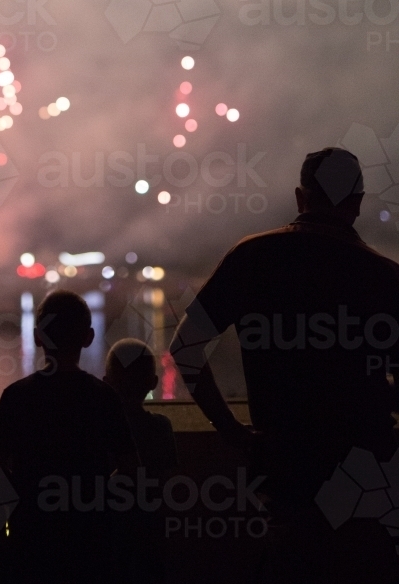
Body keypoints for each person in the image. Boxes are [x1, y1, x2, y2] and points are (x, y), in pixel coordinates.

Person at [170, 147, 399, 581]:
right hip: (370, 478)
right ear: (358, 202)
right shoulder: (384, 277)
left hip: (284, 471)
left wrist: (231, 430)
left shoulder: (252, 258)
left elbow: (186, 348)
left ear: (300, 196)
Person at [0, 290, 138, 584]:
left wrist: (25, 494)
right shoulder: (103, 397)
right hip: (90, 534)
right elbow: (130, 466)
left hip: (32, 533)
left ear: (38, 337)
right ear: (88, 337)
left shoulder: (16, 397)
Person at [104, 339, 177, 584]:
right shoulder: (161, 427)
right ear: (153, 383)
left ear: (107, 382)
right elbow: (167, 484)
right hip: (151, 532)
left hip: (109, 532)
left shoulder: (100, 430)